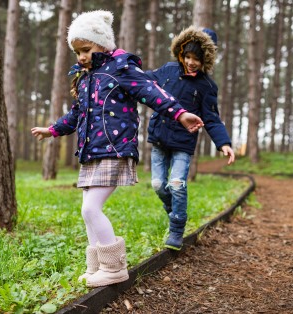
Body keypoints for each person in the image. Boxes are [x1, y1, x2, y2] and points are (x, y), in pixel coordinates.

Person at [31, 10, 203, 288]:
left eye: (86, 49)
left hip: (113, 148)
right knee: (87, 211)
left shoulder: (120, 67)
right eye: (77, 52)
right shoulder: (86, 78)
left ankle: (114, 268)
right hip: (91, 153)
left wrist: (179, 113)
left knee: (91, 209)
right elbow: (76, 113)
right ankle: (97, 266)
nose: (81, 57)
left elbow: (151, 91)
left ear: (102, 43)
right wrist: (52, 130)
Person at [145, 26, 235, 251]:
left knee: (176, 184)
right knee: (158, 185)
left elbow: (212, 119)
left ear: (206, 58)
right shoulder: (167, 70)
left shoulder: (207, 86)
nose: (191, 62)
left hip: (183, 144)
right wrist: (123, 71)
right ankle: (174, 210)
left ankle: (177, 229)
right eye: (187, 56)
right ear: (181, 53)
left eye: (197, 58)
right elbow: (144, 82)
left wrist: (223, 143)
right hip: (159, 137)